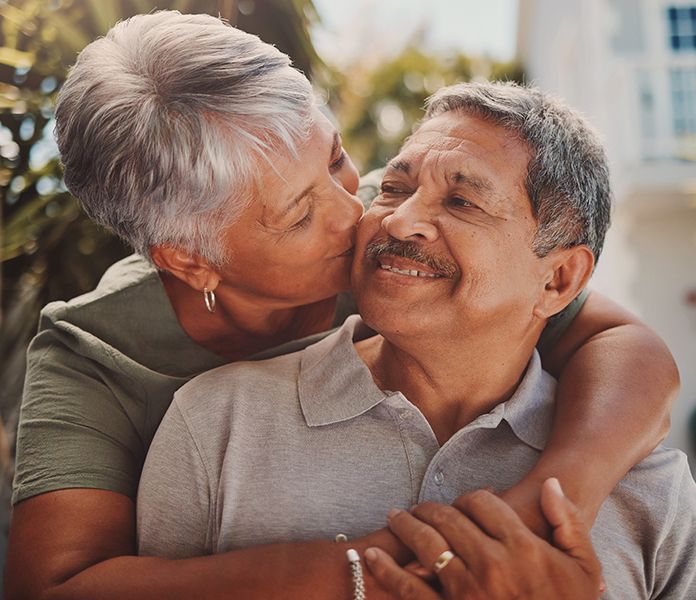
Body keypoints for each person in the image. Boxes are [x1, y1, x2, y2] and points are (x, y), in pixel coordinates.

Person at [4, 11, 678, 600]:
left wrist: (548, 509)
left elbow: (627, 348)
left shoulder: (413, 248)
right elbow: (55, 588)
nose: (359, 215)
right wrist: (401, 573)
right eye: (298, 216)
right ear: (191, 260)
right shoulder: (116, 371)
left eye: (337, 162)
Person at [136, 81, 696, 599]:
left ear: (558, 280)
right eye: (395, 188)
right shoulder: (214, 422)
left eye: (461, 202)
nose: (400, 221)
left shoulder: (649, 491)